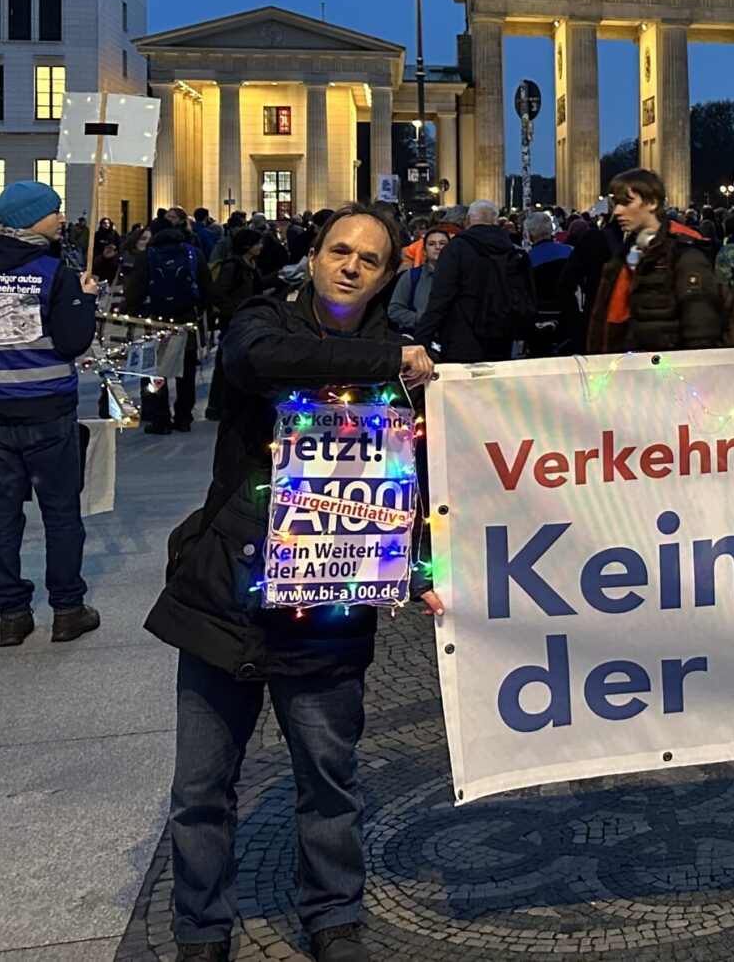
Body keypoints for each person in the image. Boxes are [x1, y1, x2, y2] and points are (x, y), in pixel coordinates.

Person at [145, 203, 438, 962]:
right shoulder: (264, 320)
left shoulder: (406, 359)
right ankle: (201, 927)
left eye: (368, 259)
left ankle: (334, 914)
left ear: (386, 277)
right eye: (339, 250)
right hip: (229, 587)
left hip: (329, 599)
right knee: (200, 787)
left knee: (329, 777)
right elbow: (258, 361)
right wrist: (387, 362)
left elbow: (424, 476)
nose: (349, 266)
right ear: (313, 258)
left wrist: (420, 564)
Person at [0, 180, 102, 646]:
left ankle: (11, 614)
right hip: (49, 410)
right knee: (61, 512)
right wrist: (85, 299)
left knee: (3, 515)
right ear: (31, 219)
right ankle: (67, 609)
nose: (61, 219)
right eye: (54, 211)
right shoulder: (54, 273)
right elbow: (73, 343)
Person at [588, 169, 734, 353]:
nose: (617, 211)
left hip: (666, 368)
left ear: (652, 203)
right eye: (616, 203)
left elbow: (701, 337)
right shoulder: (623, 258)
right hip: (627, 367)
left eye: (626, 202)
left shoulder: (686, 259)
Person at [415, 200, 532, 363]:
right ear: (496, 221)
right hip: (502, 336)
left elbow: (441, 296)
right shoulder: (513, 251)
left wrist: (422, 337)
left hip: (461, 336)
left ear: (467, 220)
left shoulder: (456, 249)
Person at [124, 219, 207, 434]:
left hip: (156, 321)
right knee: (186, 372)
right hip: (186, 320)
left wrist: (133, 314)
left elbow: (134, 292)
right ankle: (183, 417)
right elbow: (206, 287)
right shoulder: (193, 254)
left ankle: (160, 420)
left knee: (155, 372)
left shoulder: (148, 256)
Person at [203, 228, 265, 422]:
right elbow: (218, 293)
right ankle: (216, 405)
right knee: (225, 363)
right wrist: (240, 307)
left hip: (246, 320)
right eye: (257, 243)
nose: (260, 246)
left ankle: (232, 403)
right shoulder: (233, 266)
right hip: (233, 321)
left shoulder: (250, 265)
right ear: (247, 246)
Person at [387, 227, 448, 337]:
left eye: (442, 243)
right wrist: (423, 319)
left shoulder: (463, 277)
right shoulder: (411, 276)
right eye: (432, 244)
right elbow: (394, 310)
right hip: (418, 336)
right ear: (424, 251)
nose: (438, 247)